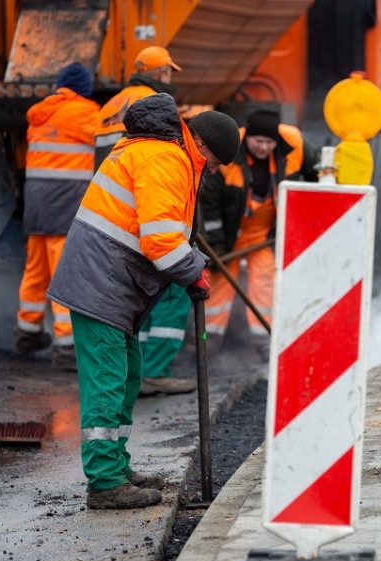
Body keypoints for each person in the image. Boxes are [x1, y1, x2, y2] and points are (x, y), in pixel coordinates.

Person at [48, 94, 240, 509]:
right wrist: (193, 272)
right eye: (214, 163)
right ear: (203, 146)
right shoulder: (165, 160)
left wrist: (194, 262)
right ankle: (105, 483)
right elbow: (160, 242)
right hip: (101, 283)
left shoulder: (163, 154)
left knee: (130, 373)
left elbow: (165, 231)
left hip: (110, 281)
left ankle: (115, 465)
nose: (209, 170)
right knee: (107, 382)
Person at [93, 45, 196, 395]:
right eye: (168, 72)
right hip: (149, 208)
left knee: (136, 296)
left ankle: (138, 370)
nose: (170, 79)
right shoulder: (158, 105)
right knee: (167, 289)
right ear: (160, 73)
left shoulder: (110, 106)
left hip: (111, 210)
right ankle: (154, 370)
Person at [200, 109, 318, 349]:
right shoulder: (227, 147)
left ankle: (264, 342)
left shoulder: (295, 143)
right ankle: (208, 340)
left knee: (265, 282)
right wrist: (217, 243)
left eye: (269, 142)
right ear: (248, 138)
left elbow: (317, 174)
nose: (264, 147)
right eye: (259, 141)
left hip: (264, 234)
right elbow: (209, 203)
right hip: (231, 233)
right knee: (219, 282)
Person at [14, 63, 100, 370]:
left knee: (36, 269)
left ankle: (27, 331)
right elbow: (110, 139)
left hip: (36, 203)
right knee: (64, 275)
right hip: (65, 203)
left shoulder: (40, 113)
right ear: (83, 88)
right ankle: (66, 347)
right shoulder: (84, 113)